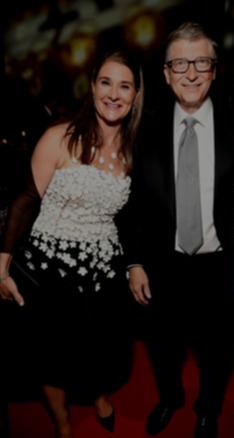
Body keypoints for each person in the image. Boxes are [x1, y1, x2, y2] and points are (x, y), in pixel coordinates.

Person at [0, 50, 143, 438]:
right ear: (93, 86)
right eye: (106, 82)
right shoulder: (59, 137)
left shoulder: (131, 150)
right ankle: (63, 423)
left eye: (124, 85)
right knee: (54, 357)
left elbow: (129, 216)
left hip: (102, 271)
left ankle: (97, 392)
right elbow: (25, 199)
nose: (114, 93)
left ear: (135, 96)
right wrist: (1, 267)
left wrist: (134, 263)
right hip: (51, 271)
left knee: (98, 348)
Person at [119, 22, 234, 438]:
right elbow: (130, 205)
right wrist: (133, 261)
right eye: (180, 63)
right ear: (166, 73)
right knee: (162, 347)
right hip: (161, 265)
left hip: (218, 266)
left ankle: (208, 409)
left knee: (217, 351)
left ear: (214, 69)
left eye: (201, 61)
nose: (191, 72)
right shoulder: (142, 132)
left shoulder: (233, 126)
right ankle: (170, 398)